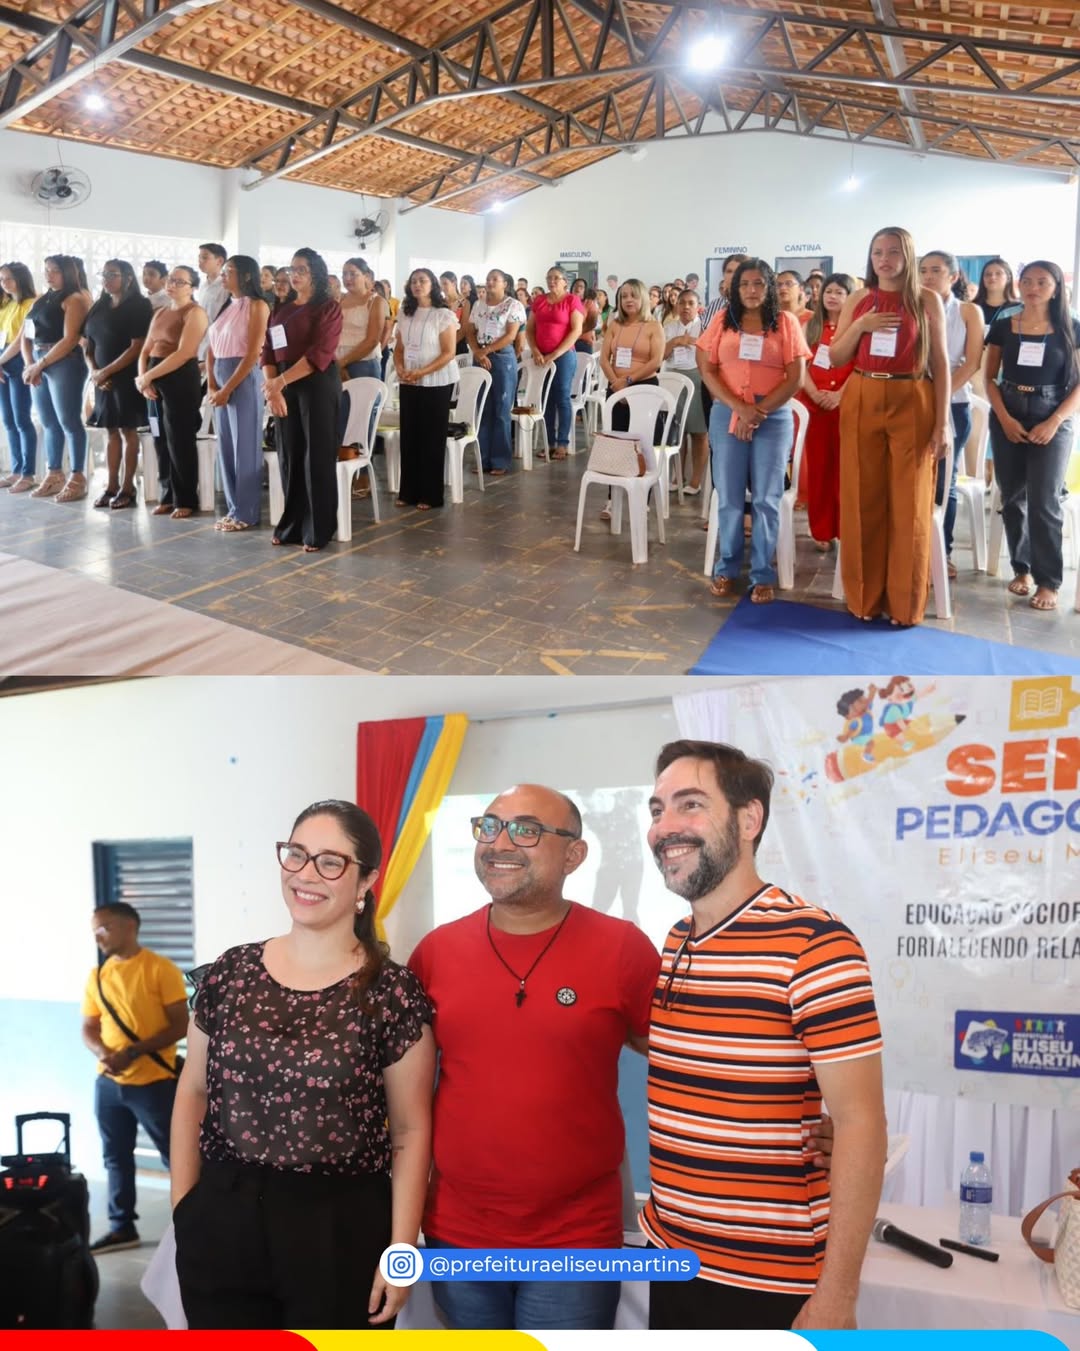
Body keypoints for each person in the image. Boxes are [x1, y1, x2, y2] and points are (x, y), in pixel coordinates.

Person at [643, 739, 886, 1331]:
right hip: (671, 1257)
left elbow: (861, 1124)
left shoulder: (815, 944)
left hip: (770, 1280)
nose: (665, 827)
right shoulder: (676, 940)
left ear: (748, 819)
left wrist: (838, 1296)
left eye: (690, 804)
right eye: (657, 809)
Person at [170, 800, 434, 1329]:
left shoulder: (390, 993)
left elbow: (409, 1131)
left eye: (330, 862)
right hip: (223, 1219)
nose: (306, 874)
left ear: (366, 881)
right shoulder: (231, 973)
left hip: (339, 1228)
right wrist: (185, 1210)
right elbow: (192, 1094)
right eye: (296, 855)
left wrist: (402, 1250)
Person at [408, 783, 661, 1331]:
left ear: (574, 854)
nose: (500, 843)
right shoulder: (435, 953)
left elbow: (681, 1065)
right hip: (458, 1234)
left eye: (526, 830)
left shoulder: (623, 949)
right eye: (490, 826)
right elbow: (406, 1098)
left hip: (575, 1239)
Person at [827, 226, 951, 627]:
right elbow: (836, 356)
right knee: (862, 497)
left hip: (912, 396)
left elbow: (941, 363)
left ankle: (905, 604)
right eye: (878, 251)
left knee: (910, 503)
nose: (884, 259)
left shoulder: (926, 299)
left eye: (894, 251)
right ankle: (864, 598)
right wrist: (861, 326)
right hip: (862, 393)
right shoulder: (859, 299)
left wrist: (942, 424)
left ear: (908, 256)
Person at [697, 257, 810, 604]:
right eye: (744, 284)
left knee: (766, 498)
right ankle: (727, 567)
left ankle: (762, 573)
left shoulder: (786, 322)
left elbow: (796, 378)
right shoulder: (722, 320)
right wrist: (740, 408)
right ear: (735, 288)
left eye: (759, 283)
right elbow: (707, 368)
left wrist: (757, 413)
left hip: (772, 417)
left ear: (769, 287)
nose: (751, 290)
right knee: (730, 497)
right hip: (728, 413)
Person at [81, 900, 188, 1254]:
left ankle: (193, 1225)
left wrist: (132, 1052)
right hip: (109, 1084)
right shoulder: (98, 976)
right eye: (94, 930)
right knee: (116, 1157)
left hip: (155, 1083)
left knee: (177, 1157)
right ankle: (121, 1227)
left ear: (129, 926)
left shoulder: (160, 969)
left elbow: (180, 1024)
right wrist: (104, 1054)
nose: (97, 937)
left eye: (103, 928)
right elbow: (89, 1027)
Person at [984, 258, 1080, 613]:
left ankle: (1048, 581)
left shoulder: (1071, 328)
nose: (1033, 288)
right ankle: (1021, 569)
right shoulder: (1004, 326)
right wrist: (1005, 418)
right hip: (1008, 409)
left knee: (1044, 501)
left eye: (1042, 282)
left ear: (1056, 289)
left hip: (1053, 412)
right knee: (1013, 497)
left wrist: (1054, 422)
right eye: (1027, 281)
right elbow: (989, 379)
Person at [261, 248, 343, 550]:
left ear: (315, 274)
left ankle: (318, 528)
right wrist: (273, 388)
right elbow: (268, 352)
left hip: (317, 383)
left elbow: (319, 353)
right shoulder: (281, 309)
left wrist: (279, 383)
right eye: (291, 269)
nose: (294, 275)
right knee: (290, 455)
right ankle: (292, 525)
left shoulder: (328, 308)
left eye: (301, 270)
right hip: (284, 386)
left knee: (316, 457)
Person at [919, 250, 985, 578]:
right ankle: (915, 549)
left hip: (953, 405)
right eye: (923, 271)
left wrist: (939, 397)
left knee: (944, 481)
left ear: (954, 276)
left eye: (936, 270)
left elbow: (971, 363)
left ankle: (941, 552)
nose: (928, 277)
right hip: (914, 402)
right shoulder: (913, 306)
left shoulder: (968, 311)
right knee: (914, 479)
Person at [135, 266, 208, 519]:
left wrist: (148, 376)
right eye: (171, 280)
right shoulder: (161, 312)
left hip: (179, 378)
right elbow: (146, 349)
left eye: (180, 281)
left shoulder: (195, 312)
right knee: (160, 438)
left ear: (192, 287)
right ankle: (167, 495)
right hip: (153, 379)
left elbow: (185, 352)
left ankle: (185, 499)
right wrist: (144, 379)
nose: (172, 285)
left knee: (179, 440)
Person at [206, 254, 270, 531]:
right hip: (220, 376)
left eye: (228, 271)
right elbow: (211, 348)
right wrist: (212, 384)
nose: (223, 275)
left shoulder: (257, 306)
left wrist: (227, 388)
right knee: (227, 446)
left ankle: (247, 512)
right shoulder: (226, 305)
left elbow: (253, 352)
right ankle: (233, 508)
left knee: (245, 445)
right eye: (223, 271)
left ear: (245, 275)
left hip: (242, 377)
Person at [83, 260, 152, 510]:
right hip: (102, 380)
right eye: (104, 274)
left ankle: (127, 487)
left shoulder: (139, 306)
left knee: (128, 431)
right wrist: (95, 372)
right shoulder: (99, 305)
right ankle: (111, 486)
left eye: (112, 274)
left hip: (126, 377)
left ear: (128, 278)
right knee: (110, 430)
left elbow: (137, 347)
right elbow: (87, 344)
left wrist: (106, 372)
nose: (106, 279)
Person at [20, 254, 89, 501]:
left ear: (67, 273)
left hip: (64, 362)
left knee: (69, 421)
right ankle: (54, 473)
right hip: (38, 361)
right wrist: (30, 365)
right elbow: (25, 335)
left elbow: (70, 339)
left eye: (54, 270)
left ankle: (78, 477)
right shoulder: (41, 299)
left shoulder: (75, 299)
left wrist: (40, 364)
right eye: (46, 269)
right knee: (48, 421)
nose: (48, 274)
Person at [798, 272, 856, 548]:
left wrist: (839, 396)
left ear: (850, 297)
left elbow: (861, 367)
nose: (832, 297)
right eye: (828, 292)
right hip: (815, 406)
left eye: (839, 292)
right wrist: (814, 394)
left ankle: (845, 528)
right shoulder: (810, 326)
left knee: (845, 469)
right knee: (819, 469)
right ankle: (821, 530)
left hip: (847, 405)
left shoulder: (856, 329)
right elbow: (800, 366)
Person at [394, 267, 458, 511]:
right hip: (409, 380)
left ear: (432, 285)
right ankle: (408, 491)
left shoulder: (443, 315)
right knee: (409, 435)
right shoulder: (405, 313)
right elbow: (399, 348)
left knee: (431, 437)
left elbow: (448, 353)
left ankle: (430, 494)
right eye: (413, 281)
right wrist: (400, 368)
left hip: (436, 381)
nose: (417, 285)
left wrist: (421, 372)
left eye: (422, 281)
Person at [465, 268, 525, 477]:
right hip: (480, 355)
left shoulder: (513, 305)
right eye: (488, 279)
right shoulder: (478, 304)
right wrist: (477, 352)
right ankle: (483, 459)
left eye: (495, 279)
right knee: (483, 408)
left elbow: (511, 335)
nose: (490, 282)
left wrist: (487, 351)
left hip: (501, 357)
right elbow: (469, 331)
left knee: (501, 409)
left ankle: (500, 460)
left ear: (504, 284)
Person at [525, 266, 584, 460]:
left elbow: (576, 331)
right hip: (541, 355)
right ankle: (549, 442)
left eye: (556, 278)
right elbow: (530, 329)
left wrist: (556, 354)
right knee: (546, 398)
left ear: (565, 281)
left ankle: (562, 443)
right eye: (549, 277)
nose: (552, 281)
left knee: (562, 396)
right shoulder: (540, 301)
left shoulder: (571, 300)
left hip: (564, 355)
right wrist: (535, 350)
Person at [336, 257, 387, 474]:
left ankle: (363, 473)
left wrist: (343, 362)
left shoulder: (376, 301)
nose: (347, 278)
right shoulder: (339, 300)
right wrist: (337, 364)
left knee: (363, 417)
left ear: (366, 276)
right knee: (341, 417)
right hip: (337, 365)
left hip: (364, 365)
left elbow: (372, 340)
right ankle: (344, 469)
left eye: (353, 274)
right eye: (344, 274)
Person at [663, 287, 708, 493]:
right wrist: (676, 341)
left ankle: (696, 480)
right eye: (682, 303)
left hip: (697, 377)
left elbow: (710, 355)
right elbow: (661, 355)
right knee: (677, 431)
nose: (686, 307)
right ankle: (678, 476)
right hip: (672, 378)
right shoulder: (669, 327)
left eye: (691, 303)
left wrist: (695, 342)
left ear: (698, 307)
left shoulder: (705, 328)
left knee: (699, 432)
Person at [0, 261, 37, 493]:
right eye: (1, 279)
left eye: (8, 278)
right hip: (1, 360)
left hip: (16, 361)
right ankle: (15, 470)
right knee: (8, 421)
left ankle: (28, 473)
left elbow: (21, 341)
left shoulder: (31, 303)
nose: (4, 283)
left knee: (22, 419)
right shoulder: (5, 304)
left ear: (21, 279)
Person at [195, 244, 228, 362]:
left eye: (204, 257)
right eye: (199, 257)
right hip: (201, 345)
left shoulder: (226, 287)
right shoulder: (203, 286)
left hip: (218, 348)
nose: (200, 261)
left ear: (219, 261)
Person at [974, 257, 1022, 336]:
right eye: (988, 274)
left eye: (998, 273)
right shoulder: (972, 307)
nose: (992, 277)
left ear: (1008, 278)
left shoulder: (1018, 309)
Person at [441, 271, 470, 358]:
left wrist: (450, 344)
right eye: (441, 284)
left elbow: (463, 329)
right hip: (441, 345)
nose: (442, 287)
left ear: (454, 283)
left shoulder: (464, 302)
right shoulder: (440, 303)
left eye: (445, 283)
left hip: (458, 346)